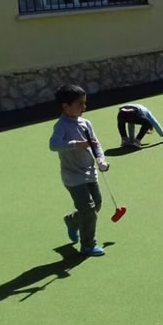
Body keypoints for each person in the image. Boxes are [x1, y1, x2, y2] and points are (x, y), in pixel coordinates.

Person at [49, 85, 109, 257]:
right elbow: (53, 145)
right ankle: (88, 245)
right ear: (65, 106)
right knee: (89, 210)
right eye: (80, 104)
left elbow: (96, 144)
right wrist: (76, 144)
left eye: (85, 103)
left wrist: (101, 160)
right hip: (73, 177)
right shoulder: (61, 126)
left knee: (96, 204)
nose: (84, 107)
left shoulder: (86, 123)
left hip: (90, 172)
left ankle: (72, 220)